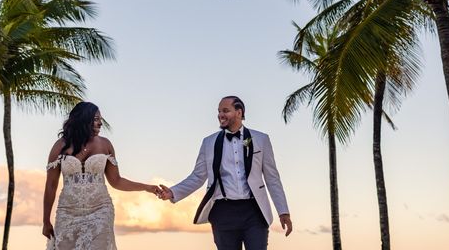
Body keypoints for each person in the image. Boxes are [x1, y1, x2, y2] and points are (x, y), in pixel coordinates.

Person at [158, 96, 292, 250]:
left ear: (239, 112)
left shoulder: (261, 139)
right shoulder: (209, 142)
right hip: (223, 212)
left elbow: (272, 178)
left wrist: (283, 212)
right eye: (219, 111)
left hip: (255, 211)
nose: (220, 115)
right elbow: (198, 176)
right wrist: (173, 192)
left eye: (226, 111)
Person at [42, 102, 160, 249]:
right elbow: (51, 185)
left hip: (100, 210)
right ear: (84, 119)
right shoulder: (59, 146)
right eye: (96, 119)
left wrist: (146, 187)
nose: (100, 123)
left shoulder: (105, 145)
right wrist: (46, 220)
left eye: (101, 120)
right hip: (67, 212)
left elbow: (116, 181)